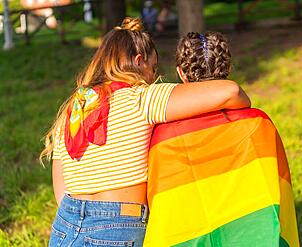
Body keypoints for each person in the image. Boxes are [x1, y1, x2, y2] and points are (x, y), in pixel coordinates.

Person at [40, 18, 251, 246]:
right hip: (116, 226)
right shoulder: (142, 98)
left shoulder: (77, 107)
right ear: (139, 61)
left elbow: (60, 183)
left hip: (66, 223)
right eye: (153, 68)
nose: (154, 77)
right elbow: (230, 92)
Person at [144, 32, 300, 247]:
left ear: (181, 73)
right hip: (250, 235)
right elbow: (277, 190)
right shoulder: (258, 123)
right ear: (228, 68)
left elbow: (162, 203)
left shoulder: (163, 136)